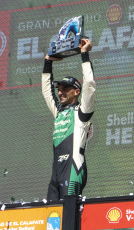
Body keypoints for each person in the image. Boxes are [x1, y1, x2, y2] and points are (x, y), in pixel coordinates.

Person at [42, 39, 96, 201]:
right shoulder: (59, 112)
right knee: (52, 220)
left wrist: (85, 55)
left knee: (69, 219)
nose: (60, 93)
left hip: (73, 170)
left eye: (65, 89)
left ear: (77, 92)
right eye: (59, 89)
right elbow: (47, 92)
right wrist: (47, 63)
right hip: (56, 174)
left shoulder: (82, 112)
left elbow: (90, 86)